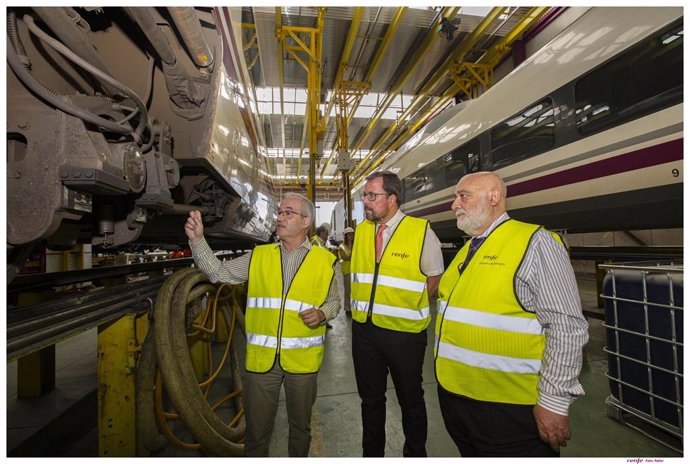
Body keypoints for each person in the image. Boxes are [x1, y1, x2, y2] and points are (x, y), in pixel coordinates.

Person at [434, 171, 589, 457]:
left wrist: (553, 401)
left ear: (494, 197)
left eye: (462, 196)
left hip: (509, 409)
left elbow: (566, 326)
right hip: (457, 397)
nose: (454, 205)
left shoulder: (535, 242)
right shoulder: (468, 248)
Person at [184, 192, 340, 457]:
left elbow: (334, 301)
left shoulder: (324, 261)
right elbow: (219, 273)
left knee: (300, 429)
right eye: (279, 212)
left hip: (302, 364)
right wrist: (198, 241)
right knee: (256, 433)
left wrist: (323, 314)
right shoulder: (258, 256)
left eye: (287, 213)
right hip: (261, 363)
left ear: (306, 221)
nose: (279, 217)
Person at [349, 171, 444, 457]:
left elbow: (434, 278)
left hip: (404, 335)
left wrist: (405, 304)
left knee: (411, 401)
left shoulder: (420, 231)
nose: (366, 201)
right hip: (364, 332)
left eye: (372, 196)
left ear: (392, 199)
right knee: (371, 401)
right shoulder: (363, 230)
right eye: (364, 196)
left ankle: (415, 455)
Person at [337, 226, 355, 317]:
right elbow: (344, 257)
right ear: (345, 236)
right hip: (347, 271)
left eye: (352, 235)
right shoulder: (341, 246)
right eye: (349, 235)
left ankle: (354, 308)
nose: (351, 237)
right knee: (348, 291)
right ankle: (348, 309)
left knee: (355, 291)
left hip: (355, 271)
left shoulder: (356, 245)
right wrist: (354, 256)